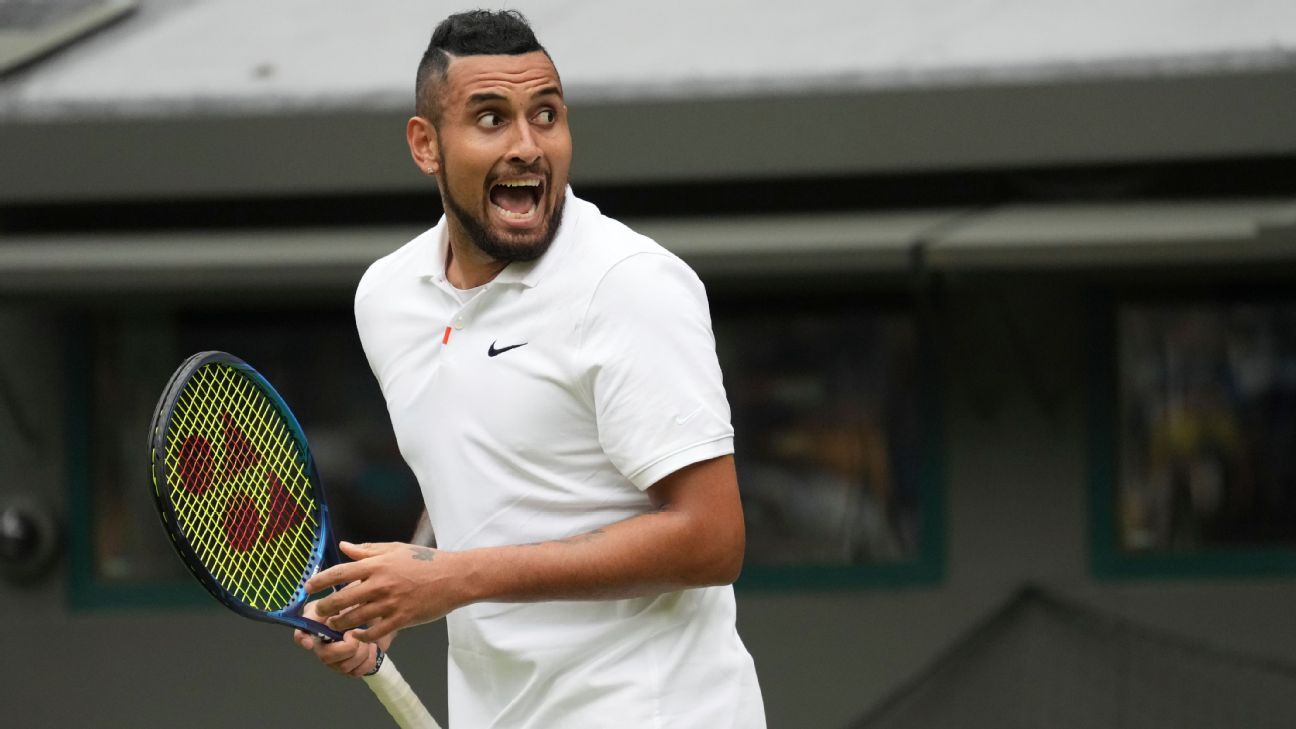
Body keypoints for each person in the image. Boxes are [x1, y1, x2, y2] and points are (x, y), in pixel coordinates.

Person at [293, 9, 765, 728]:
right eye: (490, 118)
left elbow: (712, 536)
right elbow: (469, 465)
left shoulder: (630, 285)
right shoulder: (387, 296)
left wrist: (451, 579)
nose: (527, 146)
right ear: (426, 146)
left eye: (546, 115)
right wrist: (387, 598)